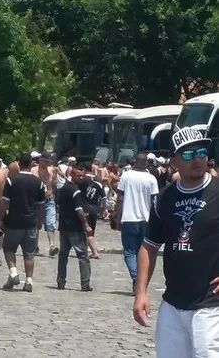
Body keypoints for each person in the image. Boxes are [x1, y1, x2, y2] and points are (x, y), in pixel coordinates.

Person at [134, 127, 219, 357]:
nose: (198, 160)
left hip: (211, 305)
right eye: (189, 155)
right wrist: (140, 292)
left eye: (202, 152)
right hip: (173, 303)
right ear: (174, 160)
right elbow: (149, 246)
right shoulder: (165, 198)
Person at [0, 153, 45, 292]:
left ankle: (13, 272)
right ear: (31, 164)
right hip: (31, 222)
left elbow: (5, 202)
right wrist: (40, 220)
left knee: (8, 249)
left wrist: (0, 218)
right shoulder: (39, 182)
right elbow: (41, 205)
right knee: (29, 254)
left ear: (19, 164)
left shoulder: (11, 181)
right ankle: (29, 281)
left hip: (14, 221)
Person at [114, 151, 159, 292]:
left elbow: (120, 199)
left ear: (134, 161)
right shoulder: (151, 179)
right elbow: (155, 202)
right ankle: (140, 281)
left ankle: (136, 278)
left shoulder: (126, 176)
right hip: (145, 220)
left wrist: (117, 217)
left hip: (129, 218)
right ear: (146, 162)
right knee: (142, 253)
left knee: (129, 252)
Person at [56, 163, 94, 291]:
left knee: (63, 255)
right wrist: (86, 225)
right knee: (82, 256)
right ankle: (85, 283)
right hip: (75, 228)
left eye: (82, 175)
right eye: (78, 175)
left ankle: (60, 281)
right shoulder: (75, 191)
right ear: (71, 174)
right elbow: (79, 210)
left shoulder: (62, 189)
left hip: (63, 227)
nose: (81, 178)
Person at [32, 152, 59, 256]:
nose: (47, 164)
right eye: (45, 162)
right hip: (36, 200)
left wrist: (52, 193)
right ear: (40, 160)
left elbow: (53, 184)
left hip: (49, 200)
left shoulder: (52, 170)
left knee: (51, 222)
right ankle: (34, 246)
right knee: (36, 223)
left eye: (48, 162)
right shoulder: (33, 171)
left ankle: (52, 245)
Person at [80, 161, 105, 259]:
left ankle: (94, 252)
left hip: (85, 208)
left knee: (86, 231)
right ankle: (86, 250)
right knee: (91, 231)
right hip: (95, 208)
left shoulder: (82, 180)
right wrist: (104, 209)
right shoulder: (98, 181)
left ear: (84, 169)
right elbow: (103, 197)